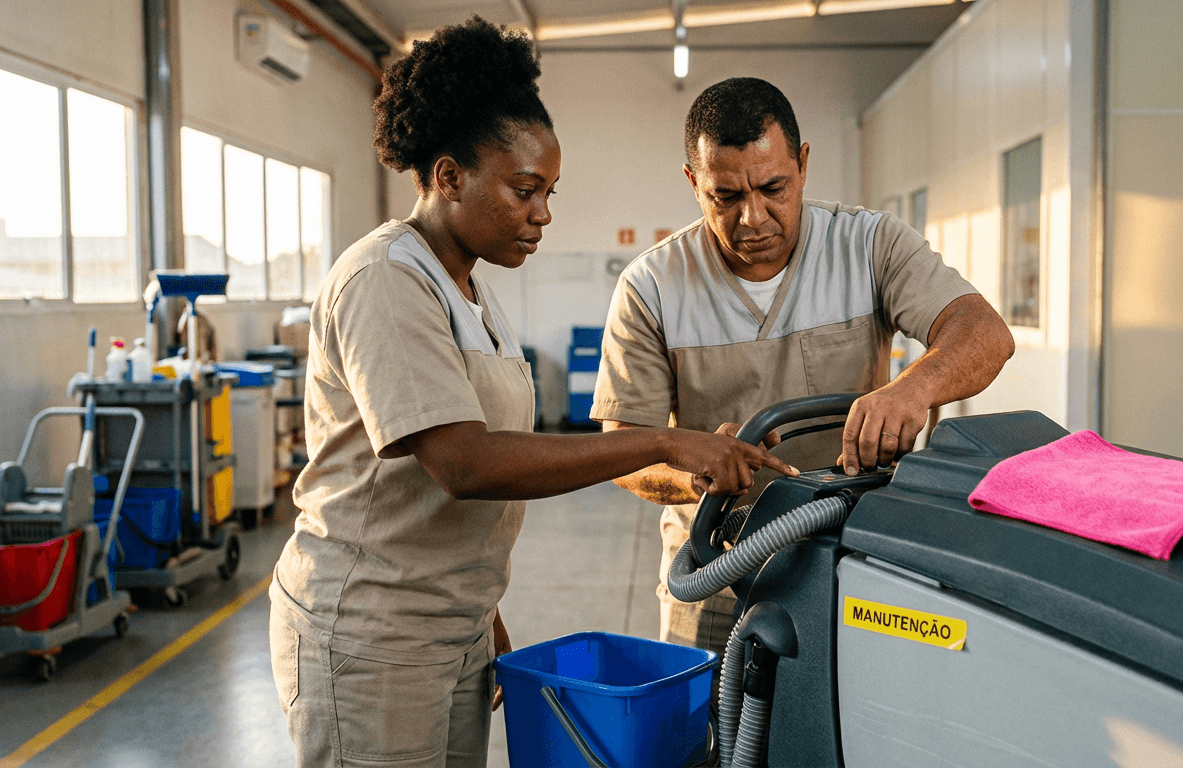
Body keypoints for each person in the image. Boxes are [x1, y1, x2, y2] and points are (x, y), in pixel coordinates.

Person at [267, 25, 794, 768]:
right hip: (372, 634)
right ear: (449, 176)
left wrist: (481, 610)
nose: (543, 213)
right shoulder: (384, 279)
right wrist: (665, 439)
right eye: (524, 191)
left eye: (549, 192)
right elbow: (466, 464)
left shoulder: (470, 293)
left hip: (450, 624)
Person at [592, 77, 1015, 659]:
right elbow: (623, 450)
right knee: (711, 743)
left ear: (804, 163)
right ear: (694, 183)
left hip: (851, 556)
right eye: (726, 197)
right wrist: (693, 471)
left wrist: (910, 391)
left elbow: (984, 333)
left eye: (773, 188)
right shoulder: (652, 287)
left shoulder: (870, 246)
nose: (753, 218)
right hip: (716, 571)